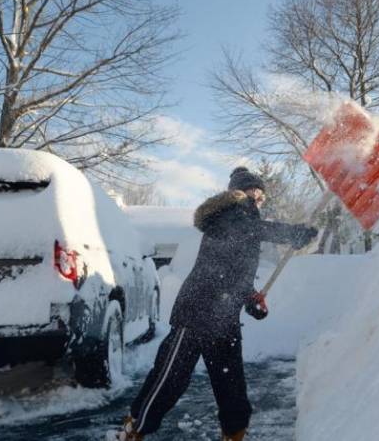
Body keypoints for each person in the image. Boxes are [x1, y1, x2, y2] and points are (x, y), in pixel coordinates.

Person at [113, 167, 318, 441]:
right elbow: (250, 230)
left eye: (262, 195)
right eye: (254, 192)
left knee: (231, 384)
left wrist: (251, 301)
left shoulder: (246, 227)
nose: (259, 199)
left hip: (224, 318)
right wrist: (293, 233)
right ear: (239, 193)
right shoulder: (227, 217)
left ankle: (234, 433)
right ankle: (135, 428)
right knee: (170, 378)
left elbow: (235, 275)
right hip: (196, 312)